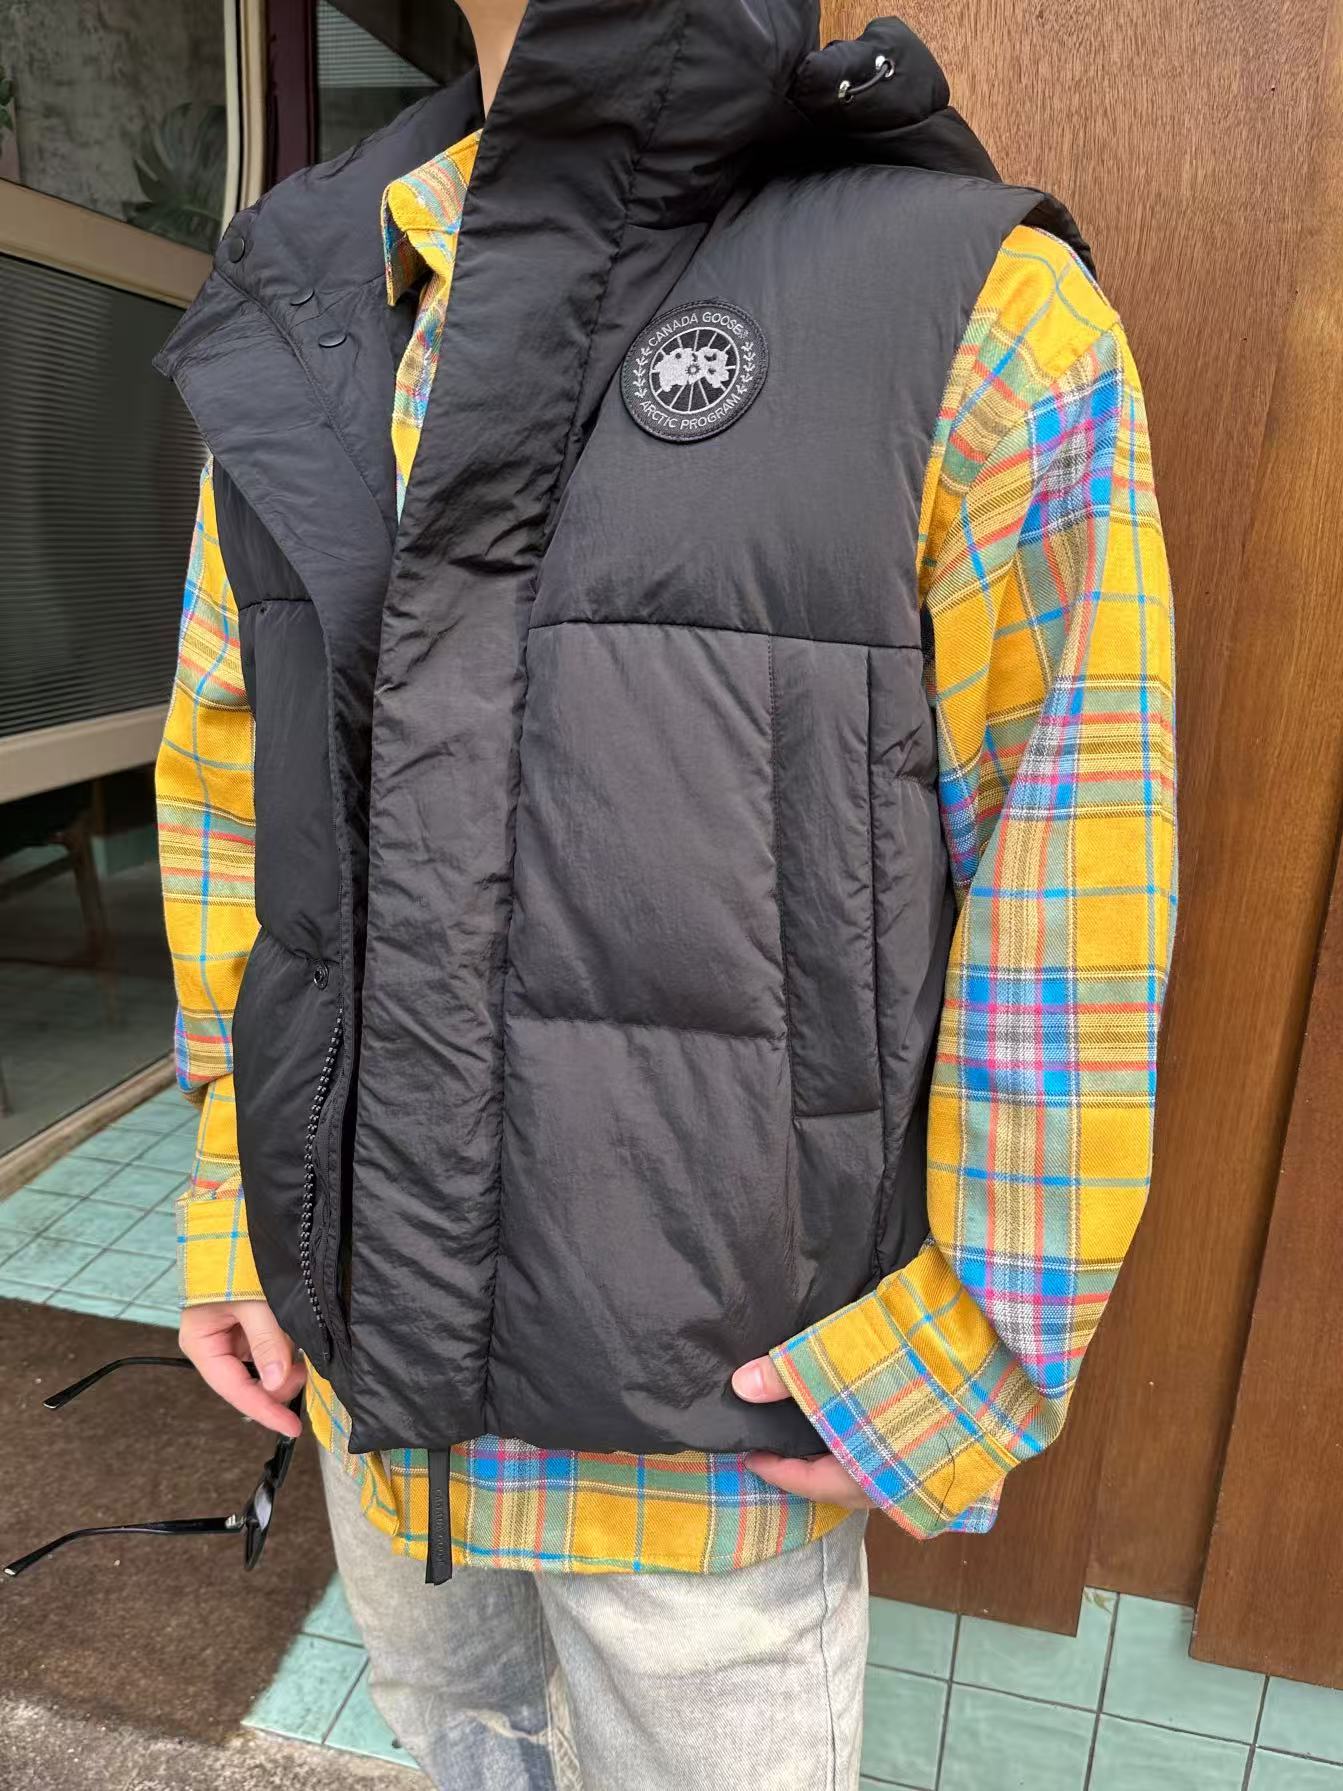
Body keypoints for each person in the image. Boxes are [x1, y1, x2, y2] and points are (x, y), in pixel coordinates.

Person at [153, 2, 1177, 1785]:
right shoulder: (317, 303)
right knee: (461, 1745)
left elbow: (1072, 857)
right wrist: (235, 1198)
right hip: (373, 1402)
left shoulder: (968, 309)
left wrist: (969, 1351)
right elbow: (236, 800)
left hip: (711, 1451)